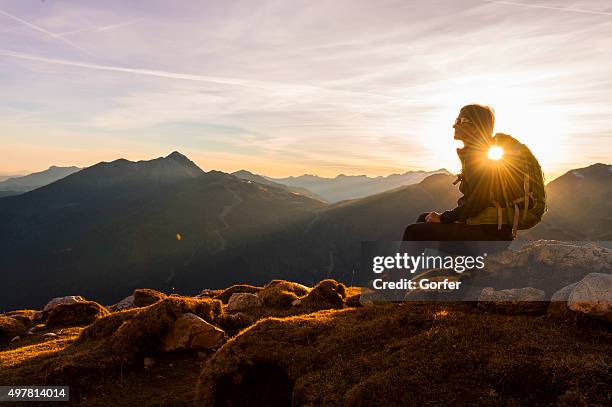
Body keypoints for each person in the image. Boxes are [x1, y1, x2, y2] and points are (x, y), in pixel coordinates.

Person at [402, 104, 545, 251]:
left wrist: (444, 218)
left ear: (475, 126)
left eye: (459, 121)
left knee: (413, 232)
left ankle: (399, 273)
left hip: (489, 236)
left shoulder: (481, 156)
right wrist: (446, 218)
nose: (453, 125)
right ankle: (448, 270)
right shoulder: (481, 152)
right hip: (491, 231)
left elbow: (479, 201)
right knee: (423, 218)